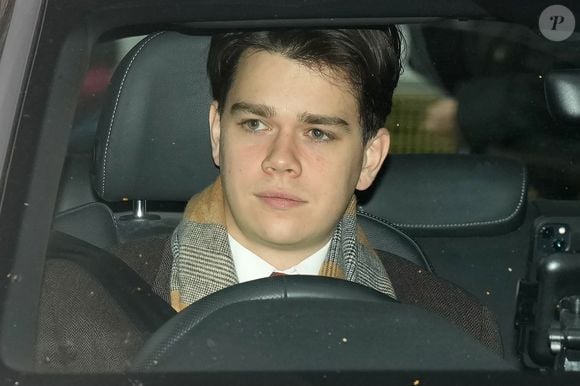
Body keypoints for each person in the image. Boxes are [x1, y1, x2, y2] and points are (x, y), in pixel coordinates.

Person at [152, 28, 503, 355]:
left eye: (317, 132)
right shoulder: (103, 308)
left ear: (369, 159)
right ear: (218, 133)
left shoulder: (458, 332)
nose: (281, 160)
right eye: (255, 124)